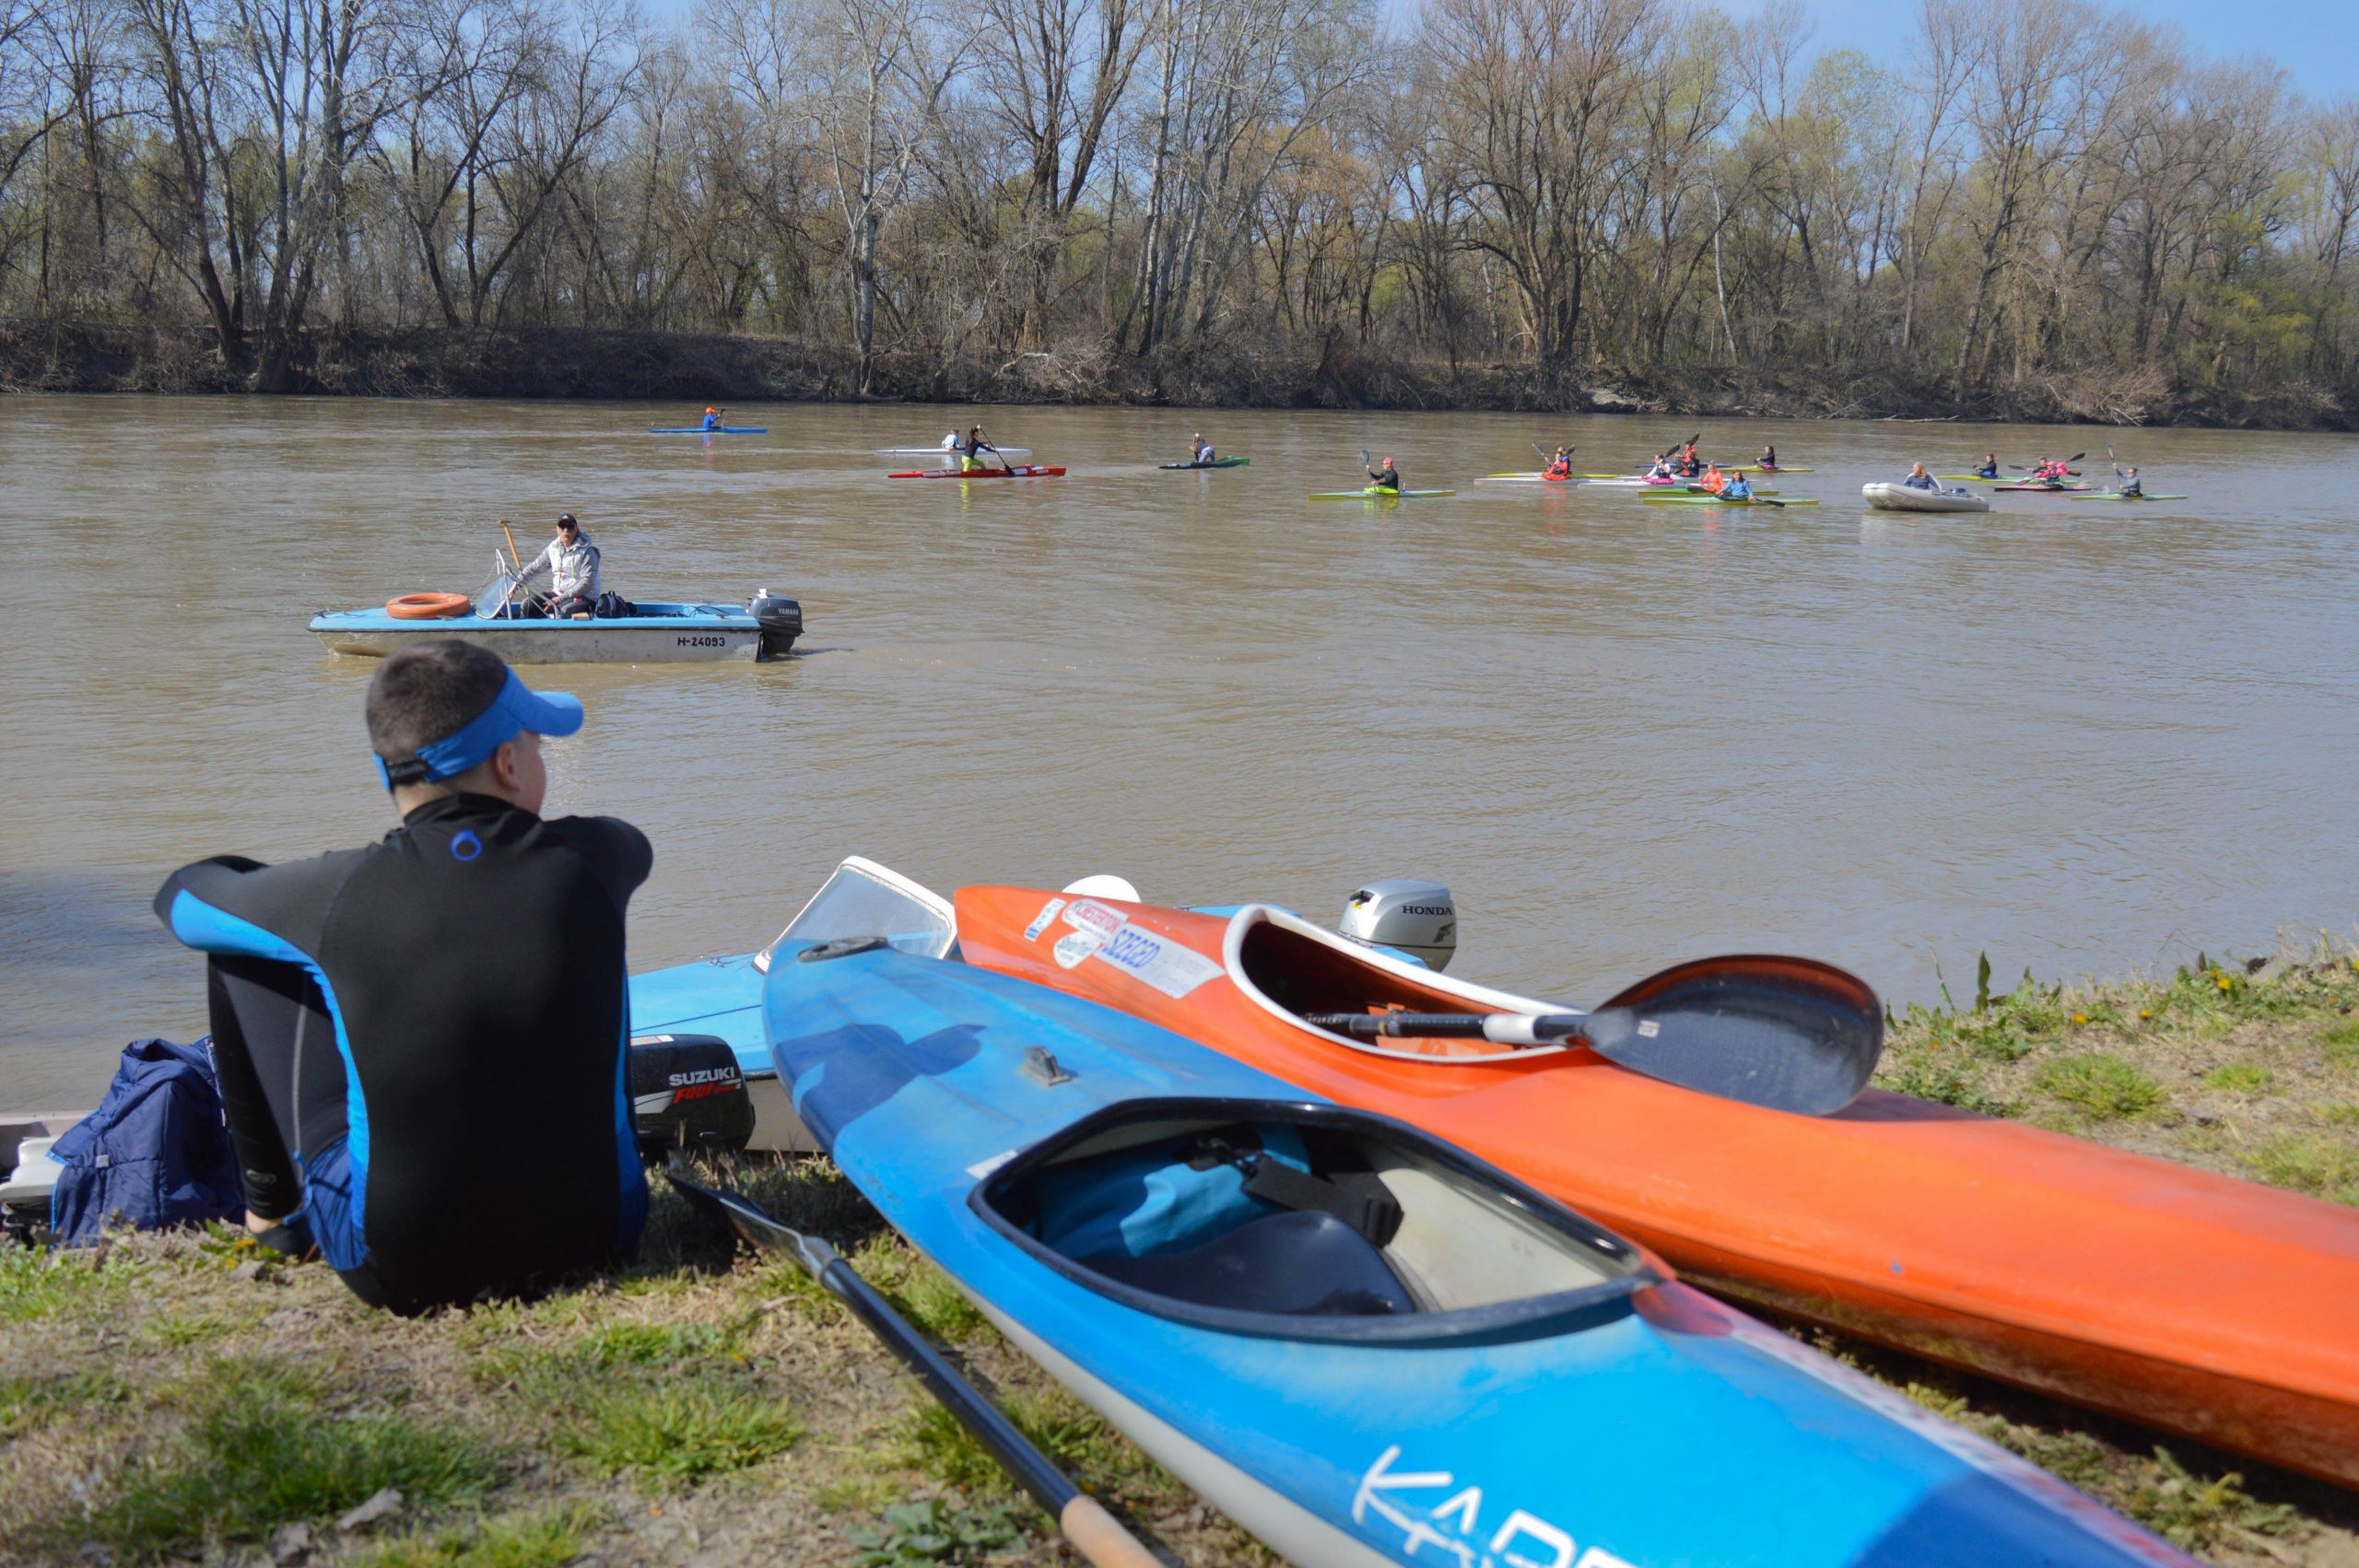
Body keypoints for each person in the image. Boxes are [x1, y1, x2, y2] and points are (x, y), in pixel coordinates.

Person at [151, 641, 651, 1314]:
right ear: (508, 763)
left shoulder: (336, 896)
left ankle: (271, 1222)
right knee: (587, 923)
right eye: (535, 744)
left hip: (402, 1269)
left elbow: (182, 902)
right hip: (600, 1237)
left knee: (244, 944)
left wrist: (254, 880)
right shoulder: (606, 855)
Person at [513, 514, 601, 618]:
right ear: (557, 529)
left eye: (570, 527)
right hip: (559, 593)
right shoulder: (553, 548)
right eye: (562, 527)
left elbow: (587, 583)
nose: (566, 530)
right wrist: (515, 586)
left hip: (584, 597)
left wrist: (561, 598)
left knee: (563, 610)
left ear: (577, 529)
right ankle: (524, 632)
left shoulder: (588, 551)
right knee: (528, 605)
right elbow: (534, 568)